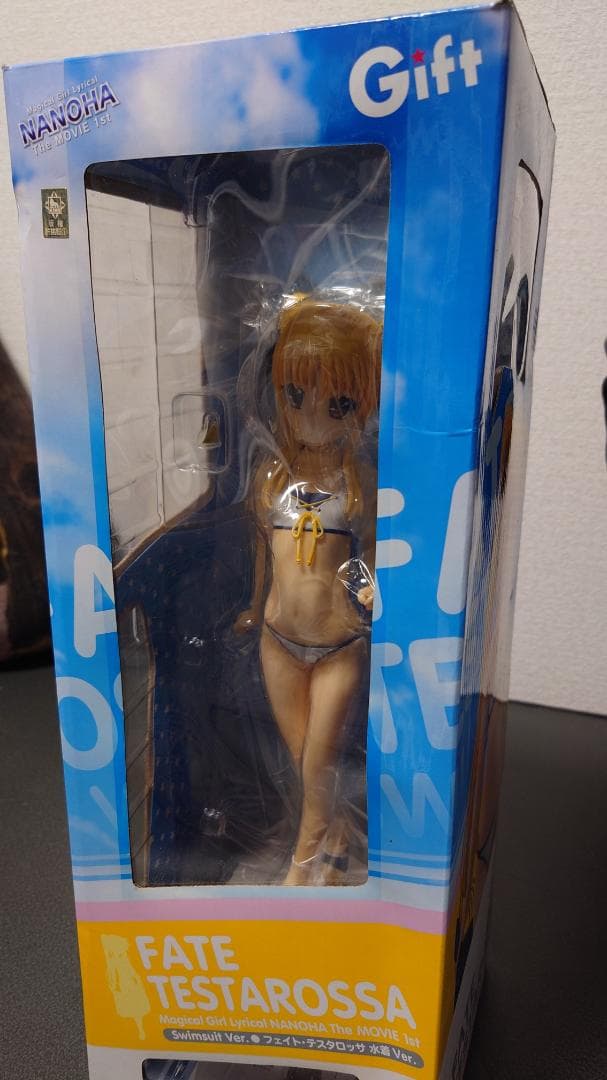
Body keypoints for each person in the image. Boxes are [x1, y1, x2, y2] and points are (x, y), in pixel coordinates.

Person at [236, 299, 382, 884]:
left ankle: (300, 872)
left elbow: (368, 555)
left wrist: (367, 595)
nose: (313, 417)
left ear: (360, 407)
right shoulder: (271, 475)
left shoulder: (358, 483)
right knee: (303, 762)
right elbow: (263, 553)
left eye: (338, 404)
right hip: (277, 640)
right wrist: (253, 609)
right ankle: (338, 832)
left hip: (337, 645)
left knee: (317, 761)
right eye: (296, 396)